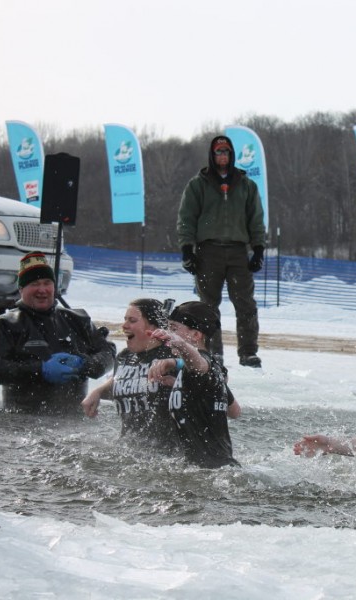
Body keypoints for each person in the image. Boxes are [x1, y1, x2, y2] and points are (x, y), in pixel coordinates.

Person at [0, 252, 115, 415]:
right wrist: (39, 370)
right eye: (35, 284)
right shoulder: (5, 324)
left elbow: (108, 353)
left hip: (74, 420)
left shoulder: (77, 319)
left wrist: (84, 364)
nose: (42, 290)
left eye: (46, 283)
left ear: (54, 286)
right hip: (21, 419)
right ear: (22, 289)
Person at [177, 135, 267, 368]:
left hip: (238, 251)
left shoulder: (246, 185)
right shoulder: (198, 184)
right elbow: (186, 218)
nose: (222, 156)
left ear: (232, 155)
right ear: (212, 155)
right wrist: (187, 249)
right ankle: (211, 353)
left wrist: (258, 249)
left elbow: (256, 219)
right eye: (218, 152)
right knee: (207, 306)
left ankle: (248, 352)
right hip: (208, 252)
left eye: (226, 151)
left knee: (245, 304)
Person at [147, 301, 241, 468]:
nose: (170, 335)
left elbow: (198, 364)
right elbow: (234, 411)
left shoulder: (202, 364)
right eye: (169, 329)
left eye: (174, 329)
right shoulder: (210, 370)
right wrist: (185, 389)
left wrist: (181, 345)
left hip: (212, 472)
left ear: (197, 335)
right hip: (217, 468)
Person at [81, 298, 179, 450]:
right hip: (129, 450)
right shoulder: (124, 357)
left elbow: (211, 375)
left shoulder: (172, 357)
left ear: (153, 327)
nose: (124, 326)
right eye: (125, 319)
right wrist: (98, 391)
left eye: (132, 320)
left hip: (167, 456)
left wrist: (178, 370)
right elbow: (125, 380)